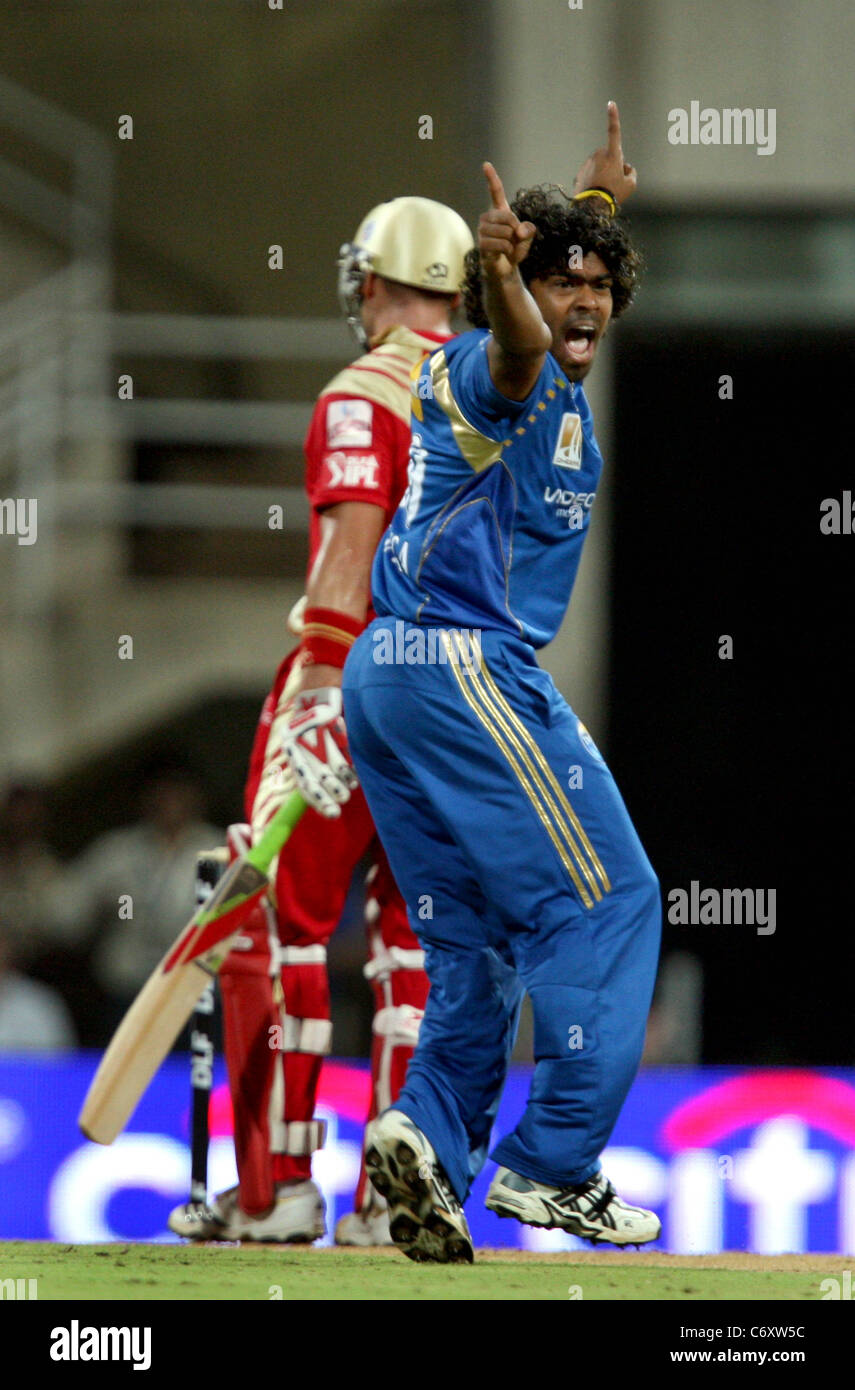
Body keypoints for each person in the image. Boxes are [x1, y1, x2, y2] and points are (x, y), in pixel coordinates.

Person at [338, 104, 664, 1262]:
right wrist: (501, 275)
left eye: (599, 285)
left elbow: (556, 313)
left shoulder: (548, 363)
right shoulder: (492, 366)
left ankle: (424, 1139)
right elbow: (523, 345)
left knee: (472, 947)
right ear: (500, 289)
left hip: (390, 679)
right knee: (614, 903)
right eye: (556, 282)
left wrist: (594, 209)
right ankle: (554, 1166)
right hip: (461, 664)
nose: (581, 303)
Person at [169, 196, 474, 1246]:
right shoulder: (498, 394)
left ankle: (276, 1187)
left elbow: (352, 538)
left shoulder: (365, 391)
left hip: (361, 687)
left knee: (277, 923)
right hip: (471, 708)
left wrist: (317, 683)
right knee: (417, 945)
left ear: (374, 281)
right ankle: (394, 1202)